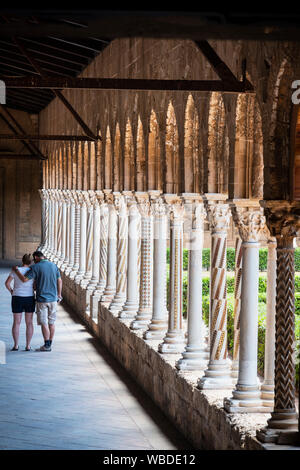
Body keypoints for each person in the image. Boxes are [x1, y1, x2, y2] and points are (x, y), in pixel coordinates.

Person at [12, 250, 62, 352]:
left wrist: (16, 271)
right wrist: (59, 294)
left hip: (42, 300)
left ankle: (46, 345)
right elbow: (59, 280)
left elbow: (24, 279)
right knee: (51, 323)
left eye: (34, 260)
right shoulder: (54, 265)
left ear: (36, 257)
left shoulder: (36, 267)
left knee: (44, 322)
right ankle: (49, 344)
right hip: (53, 299)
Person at [5, 253, 35, 351]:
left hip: (17, 297)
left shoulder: (15, 270)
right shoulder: (32, 271)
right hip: (29, 298)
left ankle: (16, 345)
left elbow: (7, 283)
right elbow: (35, 286)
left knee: (16, 322)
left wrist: (12, 291)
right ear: (31, 262)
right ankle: (28, 345)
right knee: (29, 323)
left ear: (22, 261)